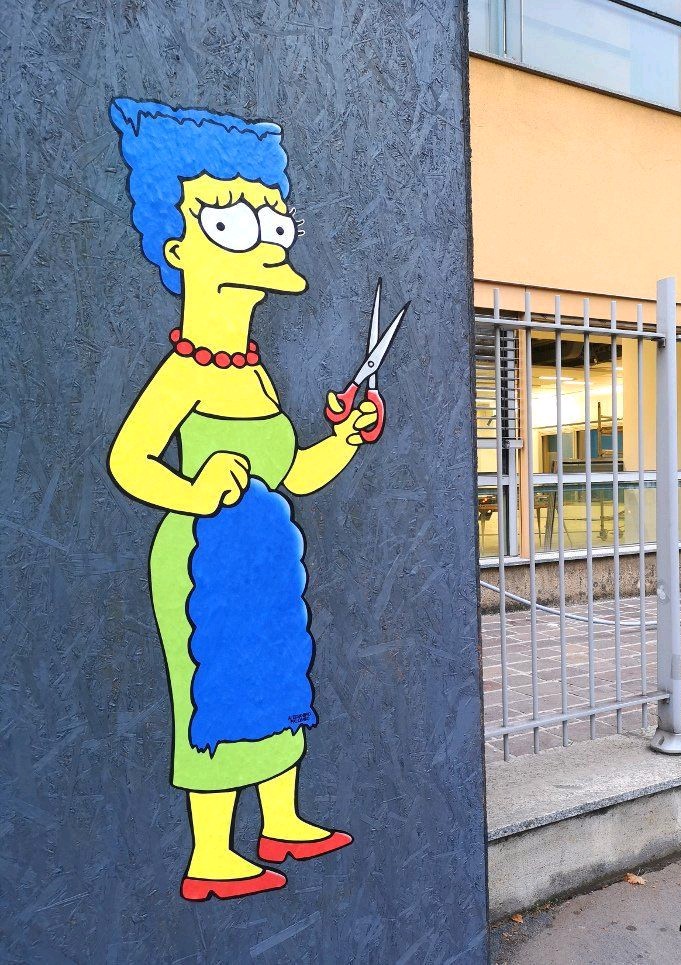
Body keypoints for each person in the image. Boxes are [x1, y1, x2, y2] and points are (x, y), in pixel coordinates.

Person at [108, 98, 378, 901]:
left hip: (264, 556)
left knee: (277, 674)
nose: (265, 237)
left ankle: (281, 818)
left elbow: (294, 471)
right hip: (203, 562)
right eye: (232, 223)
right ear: (179, 249)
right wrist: (193, 492)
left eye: (271, 220)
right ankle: (211, 855)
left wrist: (347, 437)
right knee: (216, 688)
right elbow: (128, 459)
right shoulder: (185, 372)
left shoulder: (253, 372)